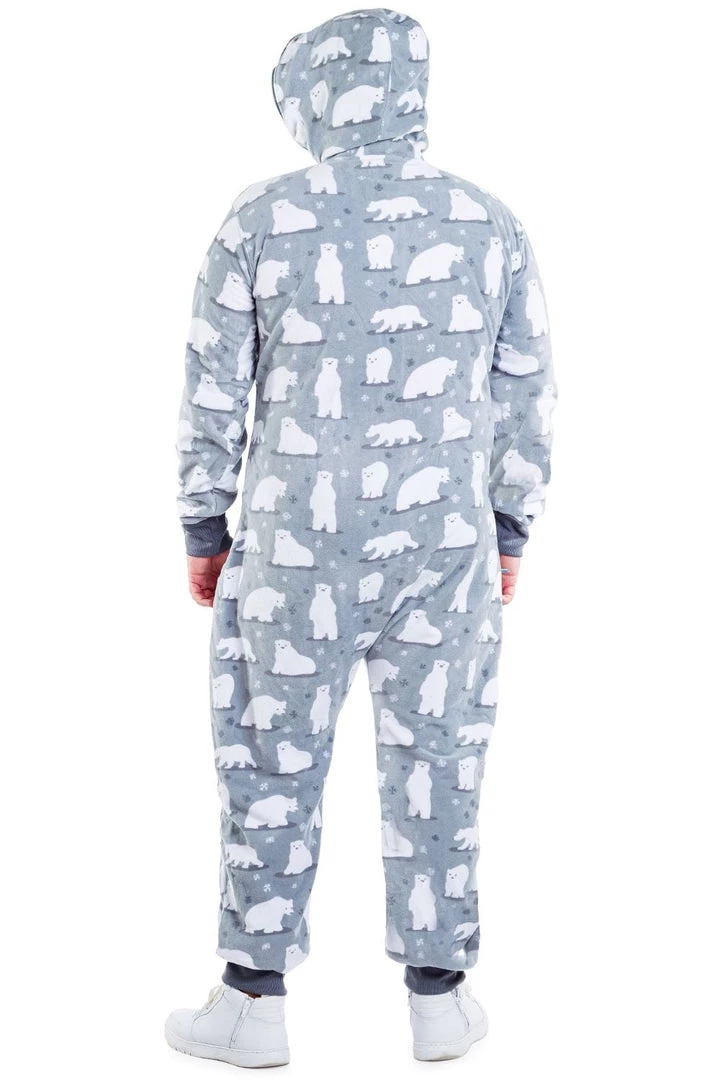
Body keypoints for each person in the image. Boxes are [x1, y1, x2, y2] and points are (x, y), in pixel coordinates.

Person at [165, 6, 557, 1068]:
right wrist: (508, 524)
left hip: (293, 547)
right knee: (441, 756)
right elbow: (526, 392)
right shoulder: (488, 222)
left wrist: (205, 521)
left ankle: (252, 1002)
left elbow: (213, 387)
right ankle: (440, 1001)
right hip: (445, 552)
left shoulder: (261, 217)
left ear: (314, 98)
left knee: (267, 755)